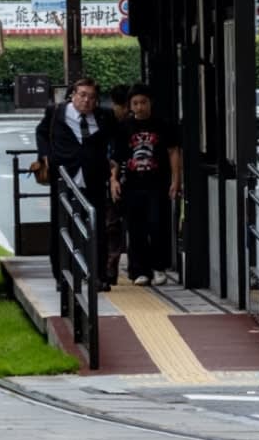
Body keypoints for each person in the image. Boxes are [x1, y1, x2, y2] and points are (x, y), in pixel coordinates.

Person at [36, 77, 113, 290]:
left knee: (96, 227)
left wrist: (113, 162)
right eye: (82, 95)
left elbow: (115, 139)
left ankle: (97, 275)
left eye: (92, 97)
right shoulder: (56, 112)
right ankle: (63, 276)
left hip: (94, 178)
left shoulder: (104, 116)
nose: (86, 101)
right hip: (64, 178)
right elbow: (41, 133)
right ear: (73, 95)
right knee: (62, 227)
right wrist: (45, 156)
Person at [110, 84, 182, 286]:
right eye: (135, 103)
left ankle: (158, 267)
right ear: (130, 105)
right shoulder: (124, 127)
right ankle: (139, 270)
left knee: (157, 224)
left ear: (151, 103)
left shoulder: (163, 124)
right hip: (132, 184)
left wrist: (176, 180)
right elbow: (116, 157)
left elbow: (173, 152)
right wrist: (113, 180)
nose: (139, 107)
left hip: (158, 183)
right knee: (135, 228)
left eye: (143, 102)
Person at [103, 85, 132, 286]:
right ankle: (110, 267)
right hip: (113, 180)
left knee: (113, 225)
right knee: (112, 224)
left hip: (122, 179)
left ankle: (112, 267)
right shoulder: (111, 124)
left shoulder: (123, 125)